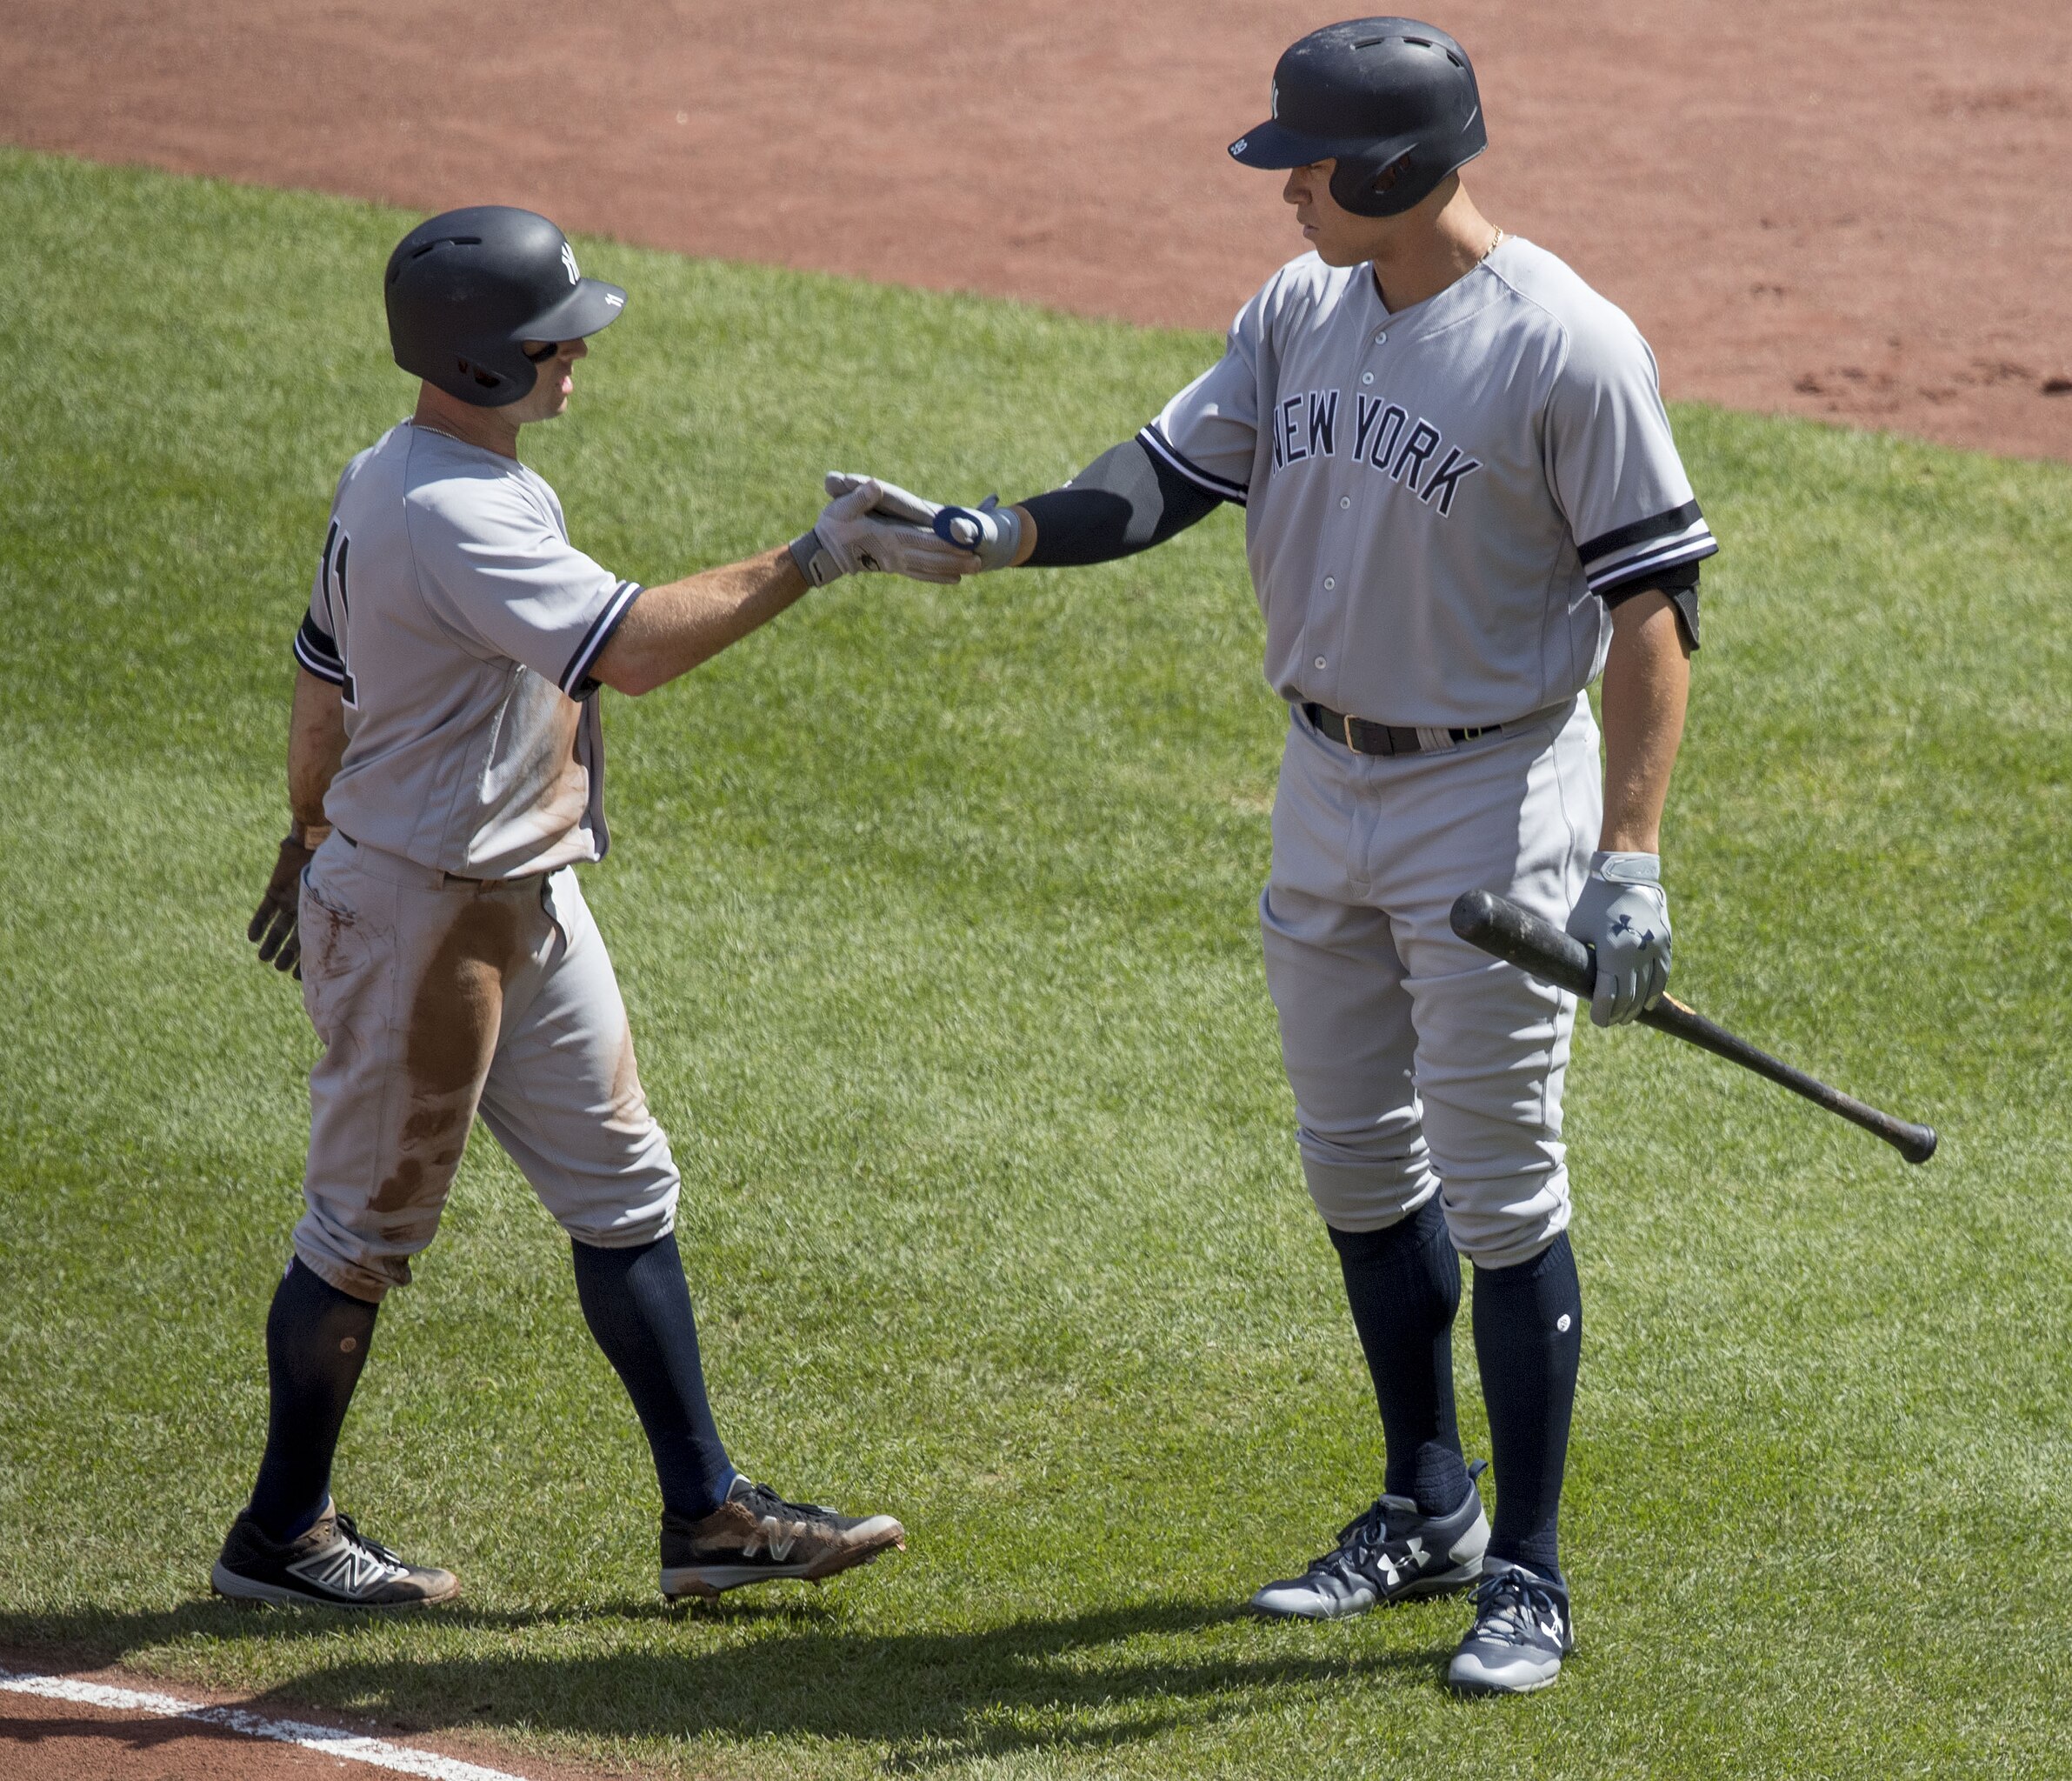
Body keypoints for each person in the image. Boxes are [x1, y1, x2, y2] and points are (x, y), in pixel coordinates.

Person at [838, 19, 1711, 1692]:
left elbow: (1652, 609)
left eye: (1303, 164)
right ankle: (1425, 1501)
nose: (1282, 188)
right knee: (1355, 1165)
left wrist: (1631, 862)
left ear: (1389, 170)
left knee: (1503, 1181)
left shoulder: (1565, 345)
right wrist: (998, 535)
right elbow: (1165, 482)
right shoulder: (1299, 312)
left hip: (1492, 798)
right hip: (1323, 783)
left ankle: (1526, 1573)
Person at [228, 204, 974, 1608]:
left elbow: (322, 669)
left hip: (517, 897)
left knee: (626, 1190)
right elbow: (626, 652)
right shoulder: (446, 509)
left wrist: (307, 819)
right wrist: (819, 557)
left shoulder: (429, 471)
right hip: (420, 919)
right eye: (552, 335)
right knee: (362, 1233)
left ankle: (705, 1516)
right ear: (485, 358)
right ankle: (280, 1533)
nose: (578, 351)